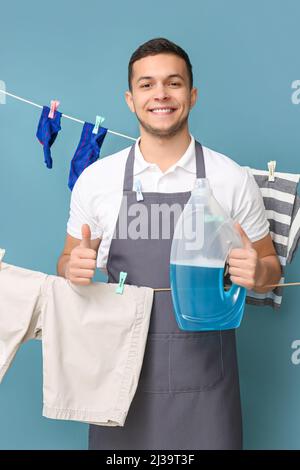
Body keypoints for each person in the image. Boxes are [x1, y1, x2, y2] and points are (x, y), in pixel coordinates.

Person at [57, 37, 281, 450]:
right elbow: (68, 260)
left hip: (206, 388)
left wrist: (259, 272)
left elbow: (270, 271)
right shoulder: (97, 180)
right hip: (119, 380)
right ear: (130, 99)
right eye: (146, 85)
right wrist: (72, 267)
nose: (160, 94)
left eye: (173, 83)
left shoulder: (229, 178)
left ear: (191, 95)